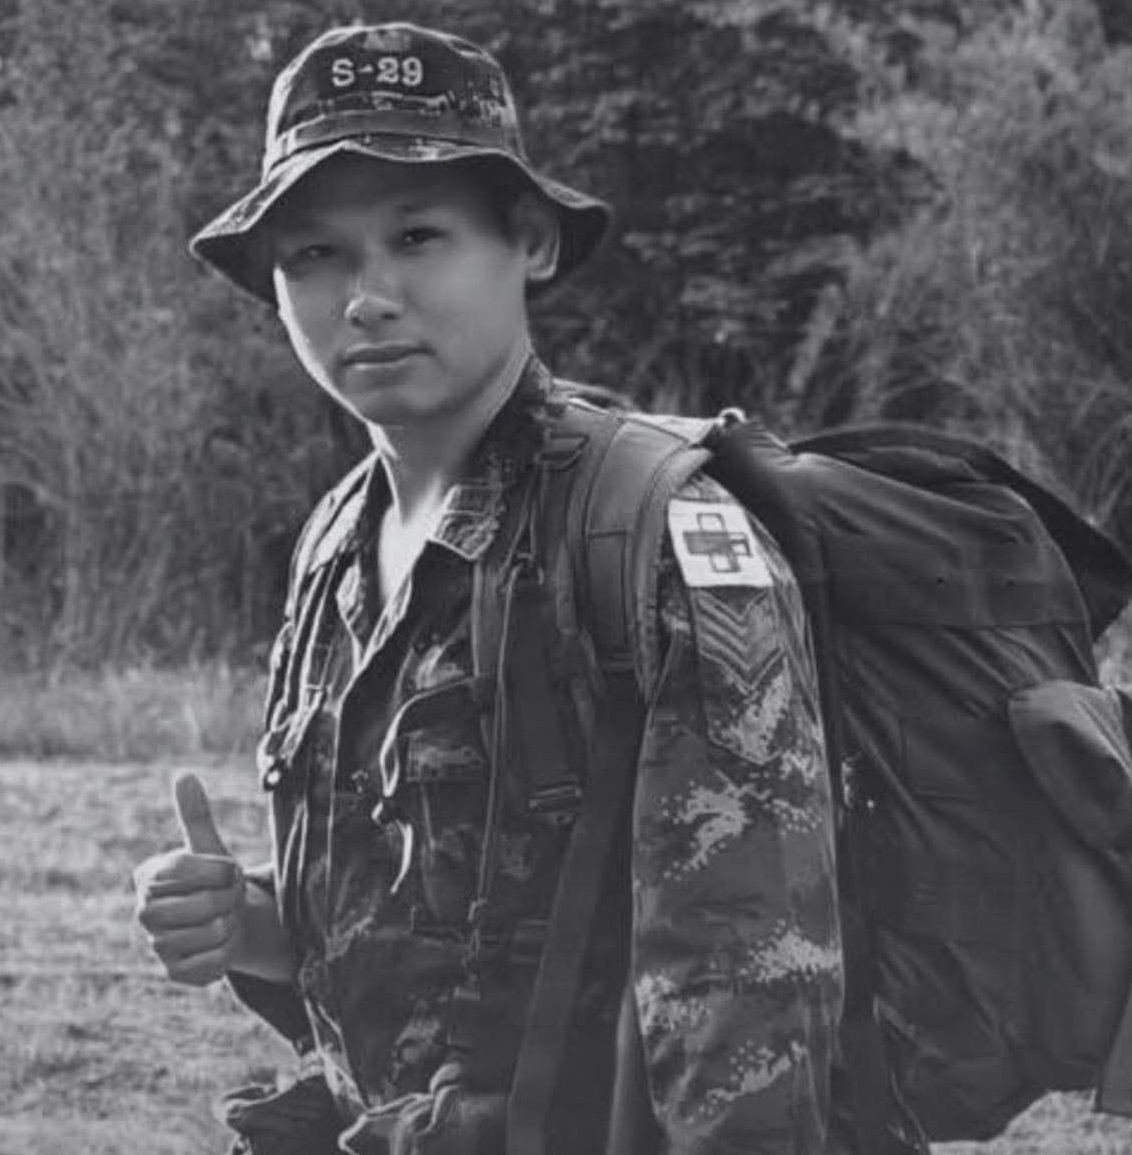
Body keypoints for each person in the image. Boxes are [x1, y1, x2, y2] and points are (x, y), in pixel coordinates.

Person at [131, 21, 844, 1155]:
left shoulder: (654, 535)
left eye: (417, 236)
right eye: (313, 254)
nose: (366, 296)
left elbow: (752, 1006)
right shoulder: (334, 540)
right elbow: (416, 936)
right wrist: (254, 926)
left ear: (532, 243)